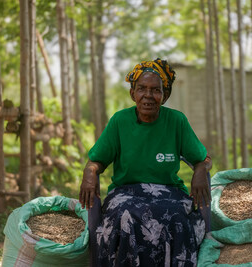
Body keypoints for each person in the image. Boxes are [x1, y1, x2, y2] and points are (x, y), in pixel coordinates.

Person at [79, 58, 212, 266]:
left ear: (165, 95)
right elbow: (96, 160)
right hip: (125, 193)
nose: (148, 96)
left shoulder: (177, 121)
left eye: (155, 90)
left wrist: (201, 169)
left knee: (177, 217)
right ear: (133, 93)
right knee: (124, 215)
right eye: (142, 89)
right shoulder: (119, 121)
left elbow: (203, 159)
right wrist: (89, 171)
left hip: (170, 192)